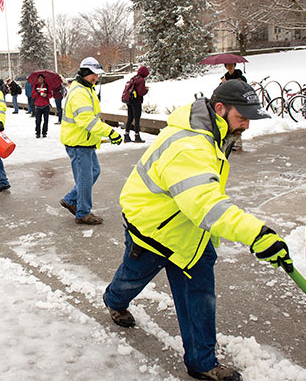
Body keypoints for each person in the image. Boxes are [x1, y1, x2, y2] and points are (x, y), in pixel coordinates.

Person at [103, 80, 288, 381]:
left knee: (200, 293)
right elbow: (206, 203)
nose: (247, 126)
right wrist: (256, 233)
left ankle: (202, 361)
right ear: (220, 109)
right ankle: (114, 300)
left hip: (190, 228)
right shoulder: (189, 145)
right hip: (154, 227)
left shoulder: (213, 131)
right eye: (242, 118)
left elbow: (201, 200)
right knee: (131, 278)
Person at [59, 57, 123, 225]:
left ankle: (71, 199)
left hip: (84, 143)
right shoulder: (80, 92)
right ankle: (83, 212)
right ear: (85, 73)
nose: (96, 78)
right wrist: (109, 132)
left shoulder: (86, 89)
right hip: (78, 144)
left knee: (93, 172)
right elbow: (86, 120)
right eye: (94, 74)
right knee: (85, 178)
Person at [122, 66, 150, 143]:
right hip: (136, 100)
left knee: (130, 117)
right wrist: (146, 90)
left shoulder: (134, 78)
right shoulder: (141, 80)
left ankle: (126, 135)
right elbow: (140, 92)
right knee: (137, 118)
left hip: (129, 100)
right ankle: (137, 136)